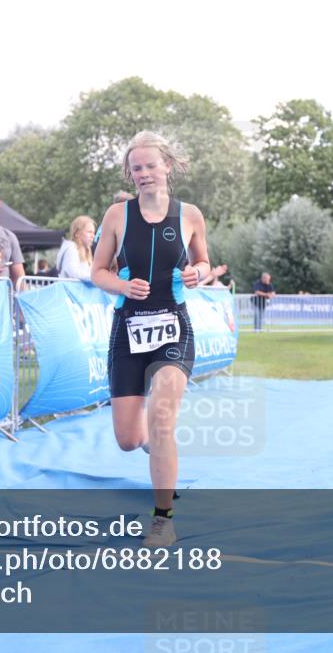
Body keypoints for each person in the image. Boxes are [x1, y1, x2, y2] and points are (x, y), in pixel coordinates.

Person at [91, 131, 210, 548]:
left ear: (168, 167)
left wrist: (199, 273)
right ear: (131, 173)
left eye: (150, 166)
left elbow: (203, 262)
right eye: (136, 168)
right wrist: (122, 288)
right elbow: (98, 271)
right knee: (129, 439)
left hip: (174, 331)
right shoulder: (116, 216)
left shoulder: (190, 215)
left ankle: (163, 520)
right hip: (128, 331)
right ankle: (152, 448)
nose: (144, 174)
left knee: (161, 419)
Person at [56, 215, 96, 281]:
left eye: (93, 233)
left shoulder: (86, 250)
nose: (93, 236)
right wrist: (97, 278)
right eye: (89, 232)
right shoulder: (71, 249)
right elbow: (74, 273)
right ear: (77, 233)